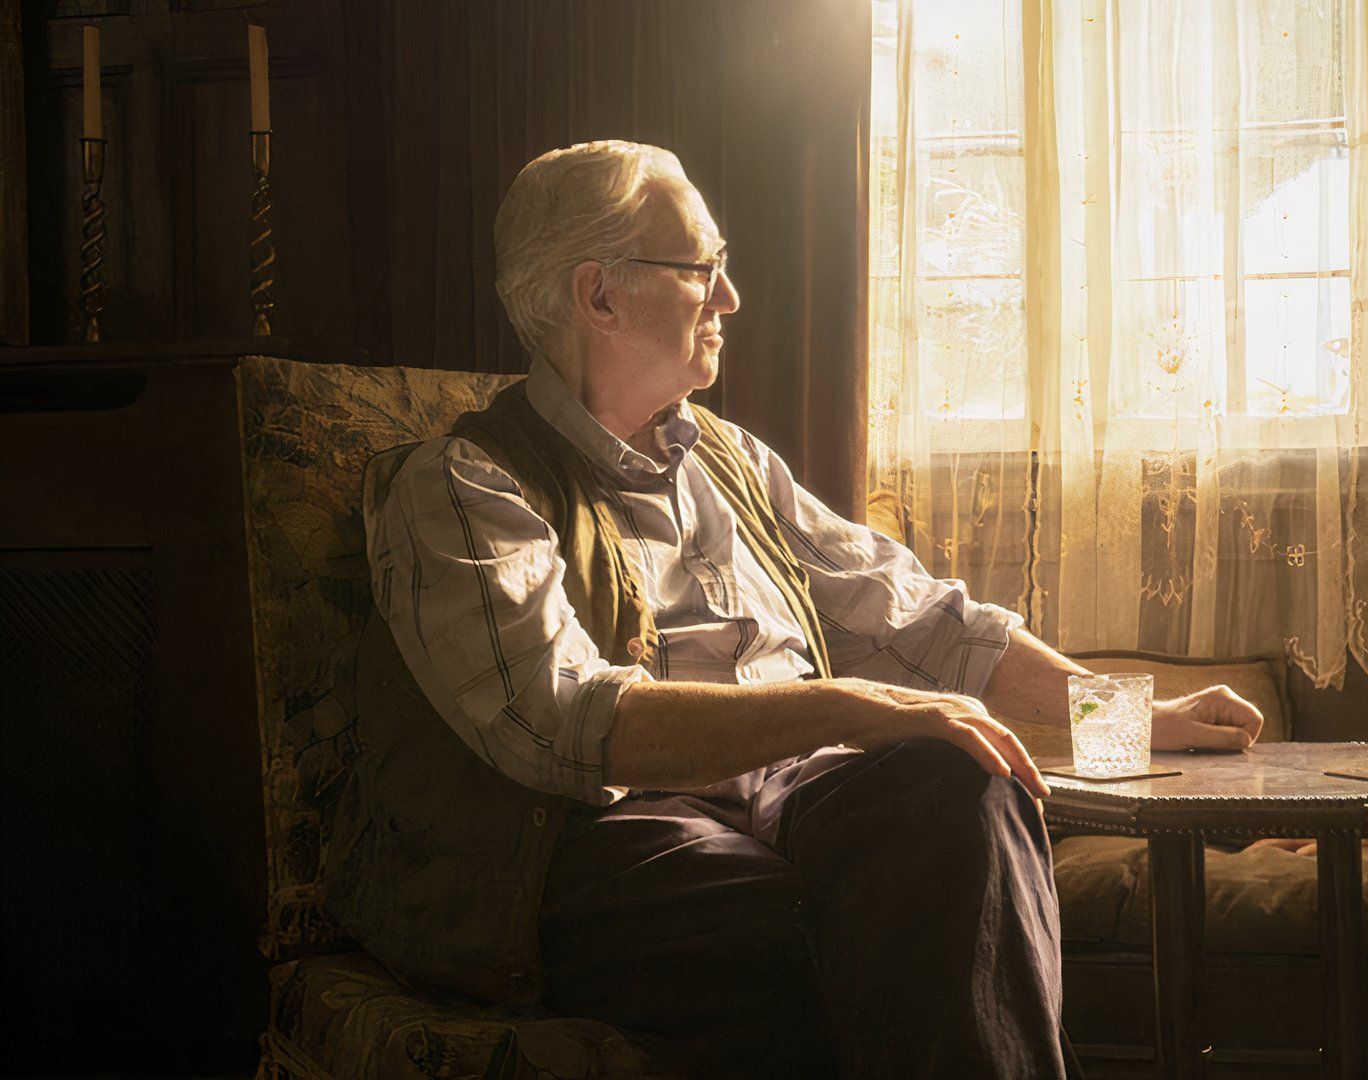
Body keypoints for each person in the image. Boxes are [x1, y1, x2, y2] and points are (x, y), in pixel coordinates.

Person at [324, 140, 1265, 1079]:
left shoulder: (730, 459)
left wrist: (1135, 713)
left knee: (964, 787)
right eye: (702, 269)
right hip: (606, 836)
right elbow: (565, 718)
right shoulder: (464, 484)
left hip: (795, 796)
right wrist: (852, 708)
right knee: (890, 923)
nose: (729, 298)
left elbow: (918, 614)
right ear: (599, 296)